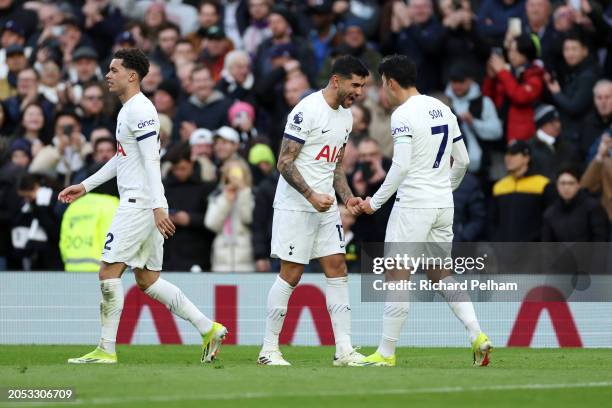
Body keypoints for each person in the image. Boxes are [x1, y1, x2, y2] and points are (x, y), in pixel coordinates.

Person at [57, 48, 227, 365]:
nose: (108, 75)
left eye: (114, 70)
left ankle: (106, 349)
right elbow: (124, 158)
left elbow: (151, 160)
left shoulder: (140, 110)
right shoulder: (129, 110)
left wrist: (158, 206)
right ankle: (208, 327)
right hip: (146, 204)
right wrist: (86, 185)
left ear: (131, 75)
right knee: (148, 280)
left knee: (108, 272)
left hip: (139, 204)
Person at [357, 54, 491, 367]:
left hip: (414, 205)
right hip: (442, 204)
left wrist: (374, 203)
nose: (381, 90)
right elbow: (465, 160)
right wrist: (447, 187)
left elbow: (401, 165)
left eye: (381, 84)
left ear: (390, 82)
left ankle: (386, 353)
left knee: (397, 276)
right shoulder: (442, 108)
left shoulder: (402, 115)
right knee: (440, 273)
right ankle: (477, 334)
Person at [257, 55, 368, 366]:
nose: (358, 92)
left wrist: (347, 198)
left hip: (325, 206)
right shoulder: (307, 110)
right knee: (291, 274)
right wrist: (310, 196)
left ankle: (344, 350)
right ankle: (268, 350)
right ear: (336, 81)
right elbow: (284, 162)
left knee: (338, 268)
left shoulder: (346, 117)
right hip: (296, 205)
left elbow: (335, 167)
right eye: (355, 84)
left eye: (362, 86)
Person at [490, 141, 555, 241]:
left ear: (526, 158)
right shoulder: (499, 186)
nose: (508, 158)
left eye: (514, 154)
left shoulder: (543, 184)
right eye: (507, 154)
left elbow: (550, 220)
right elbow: (493, 221)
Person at [542, 166, 609, 242]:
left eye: (571, 183)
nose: (566, 187)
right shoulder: (550, 213)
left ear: (578, 185)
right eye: (562, 183)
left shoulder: (593, 207)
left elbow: (601, 238)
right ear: (557, 186)